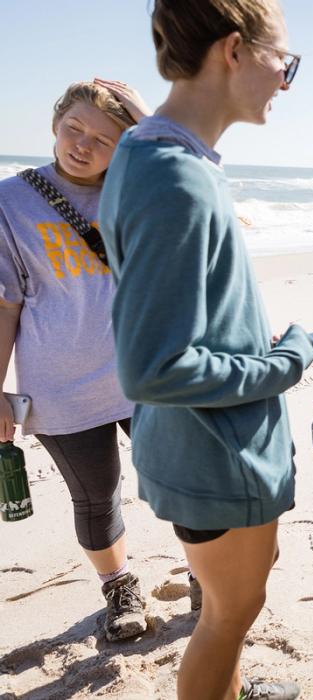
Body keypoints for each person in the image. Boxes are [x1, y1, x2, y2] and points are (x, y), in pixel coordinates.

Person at [98, 2, 313, 698]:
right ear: (234, 50)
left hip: (200, 442)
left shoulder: (148, 151)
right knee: (229, 615)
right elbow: (155, 366)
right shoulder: (174, 175)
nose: (285, 79)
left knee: (229, 608)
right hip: (216, 453)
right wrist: (287, 361)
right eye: (285, 62)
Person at [0, 79, 150, 641]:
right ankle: (119, 587)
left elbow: (197, 180)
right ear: (55, 122)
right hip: (60, 385)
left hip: (149, 376)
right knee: (96, 494)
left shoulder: (143, 191)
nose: (82, 145)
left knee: (183, 483)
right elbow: (4, 305)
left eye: (105, 138)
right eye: (74, 128)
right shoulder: (9, 202)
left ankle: (204, 574)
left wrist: (146, 119)